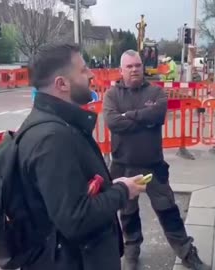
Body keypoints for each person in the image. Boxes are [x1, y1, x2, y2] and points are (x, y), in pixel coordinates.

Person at [17, 43, 147, 270]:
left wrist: (108, 186)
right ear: (62, 84)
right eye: (83, 69)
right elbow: (75, 218)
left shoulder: (58, 124)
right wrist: (122, 192)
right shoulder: (53, 138)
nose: (91, 75)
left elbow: (67, 196)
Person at [103, 49, 211, 270]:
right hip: (123, 165)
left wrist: (128, 116)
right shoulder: (112, 95)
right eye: (130, 66)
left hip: (153, 165)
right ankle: (132, 249)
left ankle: (186, 252)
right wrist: (143, 117)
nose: (134, 70)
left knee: (168, 210)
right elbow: (113, 122)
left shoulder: (156, 92)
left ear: (142, 67)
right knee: (128, 212)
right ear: (121, 70)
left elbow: (157, 115)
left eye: (138, 65)